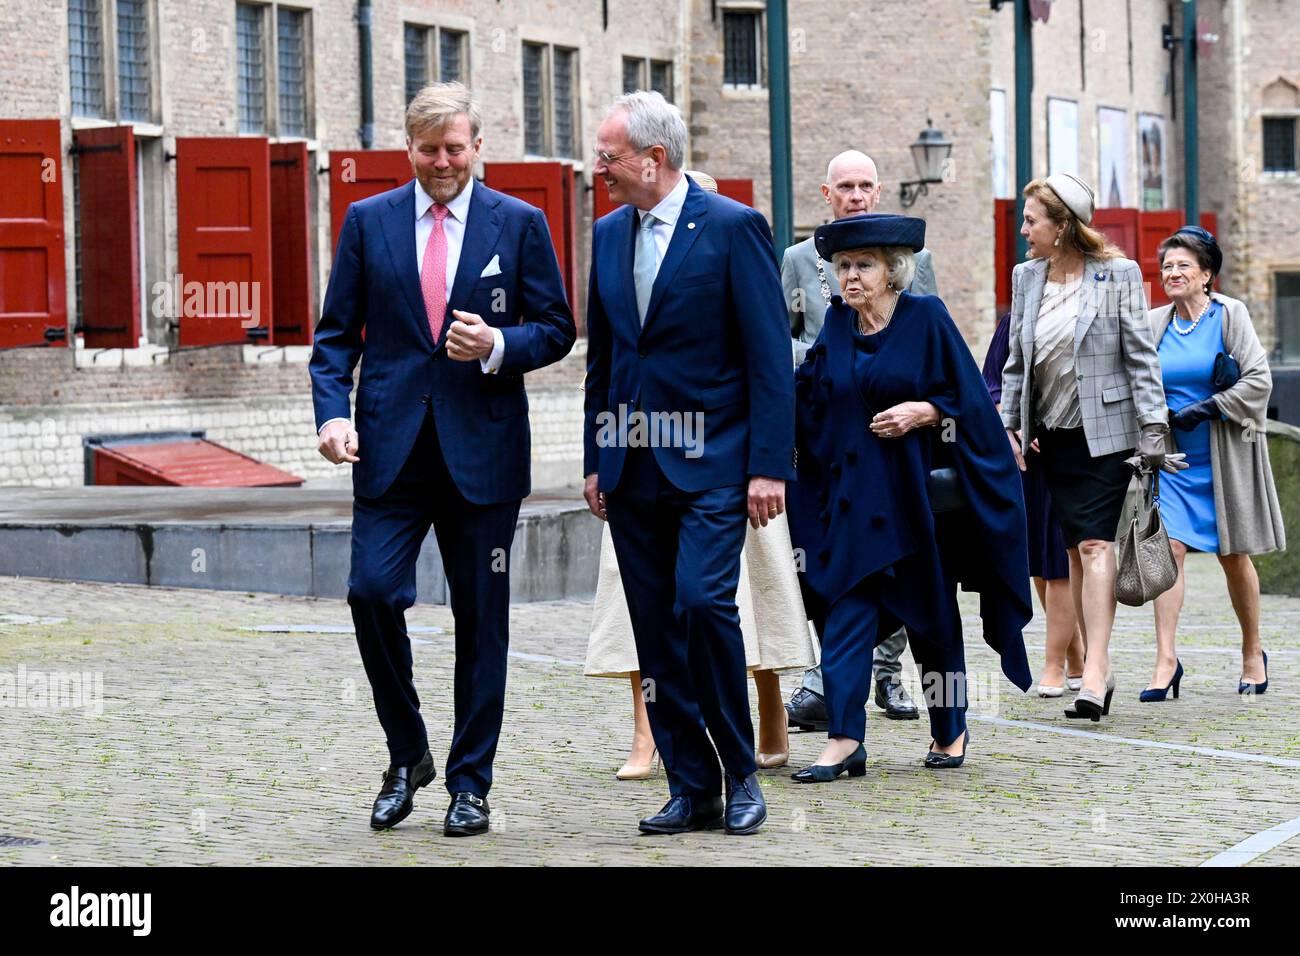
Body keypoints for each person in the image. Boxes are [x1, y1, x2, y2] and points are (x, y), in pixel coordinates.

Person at [309, 83, 576, 836]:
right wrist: (332, 415)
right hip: (388, 453)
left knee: (481, 620)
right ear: (410, 150)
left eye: (454, 148)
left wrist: (497, 345)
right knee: (369, 593)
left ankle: (470, 783)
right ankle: (407, 755)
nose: (442, 162)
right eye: (428, 150)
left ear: (477, 146)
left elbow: (556, 328)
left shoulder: (519, 223)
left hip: (483, 457)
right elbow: (335, 339)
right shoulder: (368, 221)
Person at [583, 91, 794, 835]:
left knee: (704, 605)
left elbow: (770, 356)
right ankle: (691, 784)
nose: (597, 168)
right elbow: (604, 357)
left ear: (654, 158)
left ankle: (741, 775)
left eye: (607, 156)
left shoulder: (734, 229)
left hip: (715, 463)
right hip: (632, 468)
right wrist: (595, 458)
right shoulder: (608, 234)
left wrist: (769, 465)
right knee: (652, 628)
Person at [786, 212, 1033, 782]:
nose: (851, 277)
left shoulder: (927, 318)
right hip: (852, 503)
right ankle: (846, 739)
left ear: (893, 271)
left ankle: (949, 730)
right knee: (845, 614)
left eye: (863, 266)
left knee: (933, 621)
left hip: (916, 501)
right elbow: (810, 397)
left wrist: (927, 410)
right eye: (843, 266)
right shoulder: (838, 327)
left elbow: (969, 399)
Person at [1000, 173, 1175, 722]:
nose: (1023, 229)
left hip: (1109, 435)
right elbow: (1015, 362)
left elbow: (1141, 357)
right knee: (1075, 551)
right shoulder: (1026, 277)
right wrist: (1011, 425)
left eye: (1032, 220)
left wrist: (1153, 432)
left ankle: (1095, 672)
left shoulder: (1118, 274)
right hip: (1051, 436)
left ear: (1063, 226)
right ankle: (1098, 664)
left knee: (1097, 546)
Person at [783, 150, 939, 729]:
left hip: (893, 432)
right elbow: (781, 336)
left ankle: (888, 672)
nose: (855, 194)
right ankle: (821, 680)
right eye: (845, 186)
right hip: (828, 431)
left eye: (865, 185)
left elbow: (930, 335)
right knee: (832, 557)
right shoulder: (800, 259)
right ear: (827, 194)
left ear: (878, 191)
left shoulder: (912, 259)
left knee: (894, 552)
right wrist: (821, 363)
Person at [1144, 225, 1284, 699]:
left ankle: (1252, 650)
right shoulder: (1154, 322)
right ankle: (1166, 661)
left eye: (1184, 265)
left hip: (1224, 455)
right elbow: (1139, 382)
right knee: (1172, 551)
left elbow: (1258, 379)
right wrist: (1154, 418)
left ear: (1207, 274)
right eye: (1167, 266)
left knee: (1232, 555)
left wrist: (1206, 407)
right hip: (1176, 461)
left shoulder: (1230, 315)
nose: (1173, 273)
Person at [982, 313, 1086, 696]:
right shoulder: (1014, 320)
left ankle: (1053, 663)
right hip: (1025, 461)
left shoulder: (1086, 313)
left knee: (1061, 559)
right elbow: (991, 384)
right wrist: (1013, 424)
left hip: (1075, 452)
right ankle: (1076, 655)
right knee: (1040, 565)